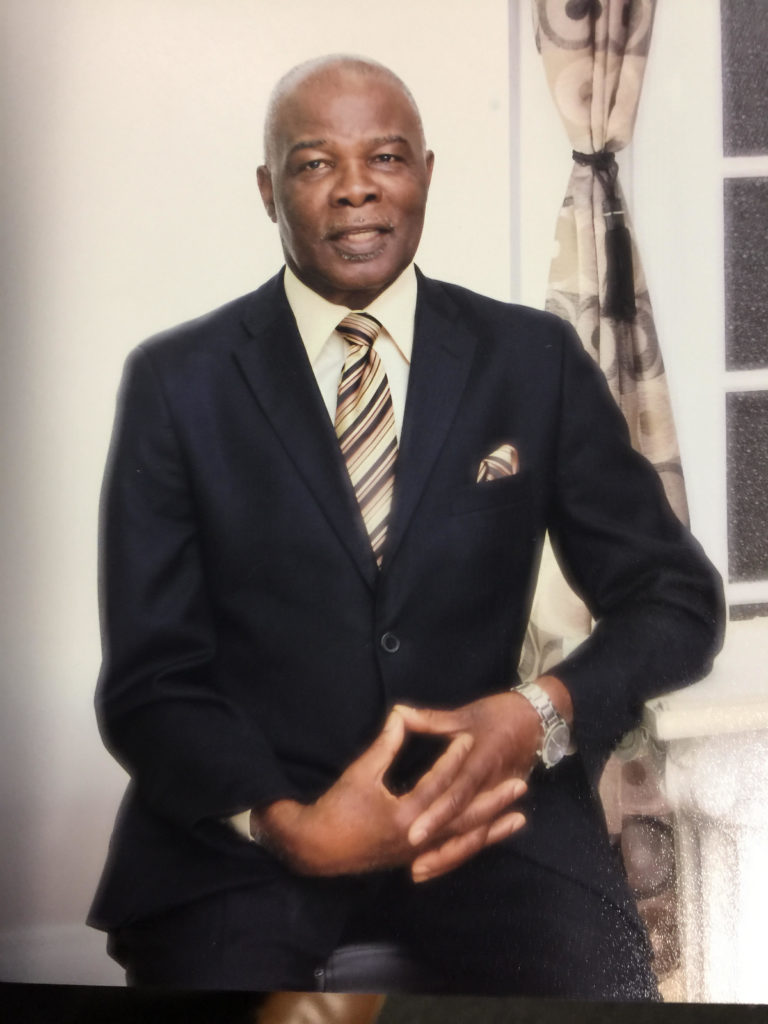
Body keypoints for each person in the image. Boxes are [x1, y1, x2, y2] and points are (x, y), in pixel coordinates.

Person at [89, 54, 724, 999]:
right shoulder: (178, 383)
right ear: (268, 190)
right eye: (314, 164)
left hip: (492, 826)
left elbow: (675, 601)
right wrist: (281, 820)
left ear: (426, 171)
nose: (356, 190)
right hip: (253, 842)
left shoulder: (531, 360)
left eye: (385, 157)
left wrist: (536, 712)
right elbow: (150, 679)